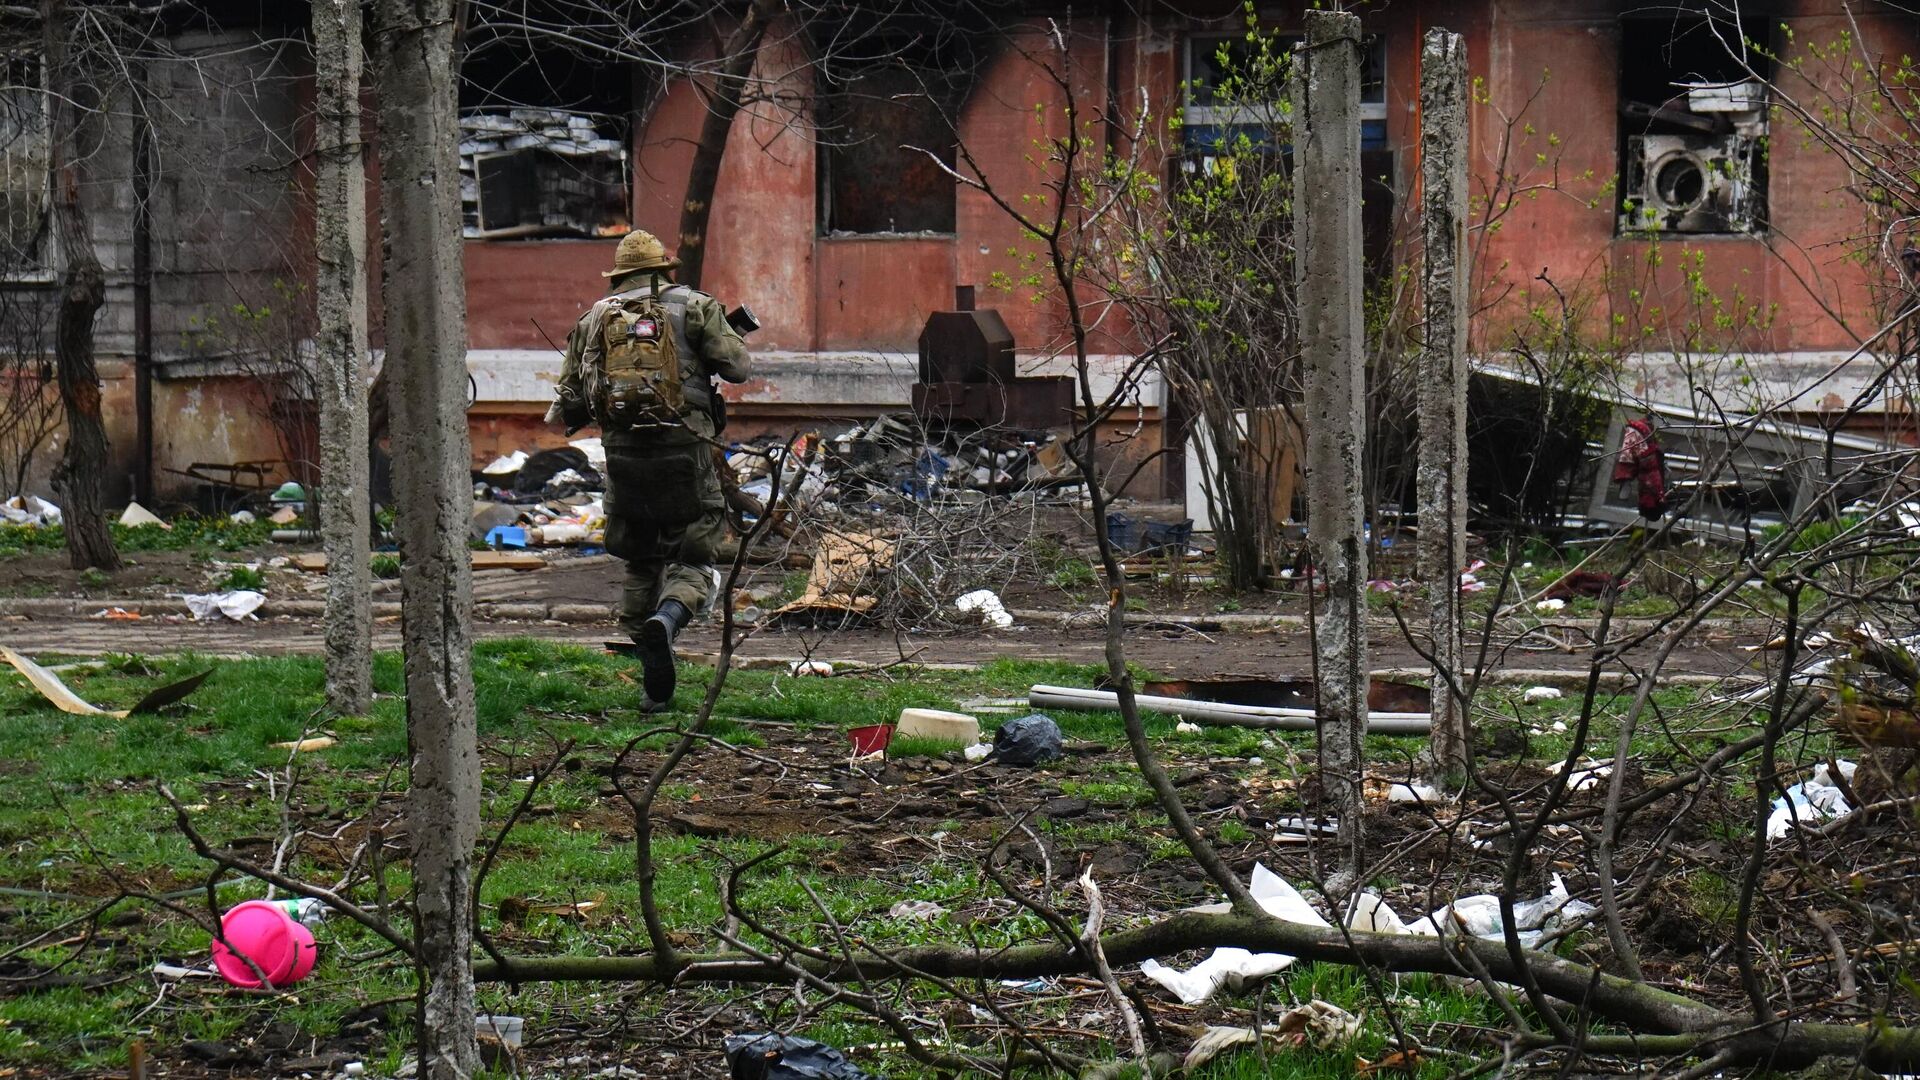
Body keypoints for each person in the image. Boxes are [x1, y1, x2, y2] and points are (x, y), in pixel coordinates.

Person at [548, 230, 752, 711]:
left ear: (619, 275)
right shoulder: (695, 306)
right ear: (664, 269)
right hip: (685, 448)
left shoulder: (595, 317)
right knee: (695, 554)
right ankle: (669, 617)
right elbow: (738, 368)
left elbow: (567, 401)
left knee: (641, 555)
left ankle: (649, 677)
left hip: (623, 453)